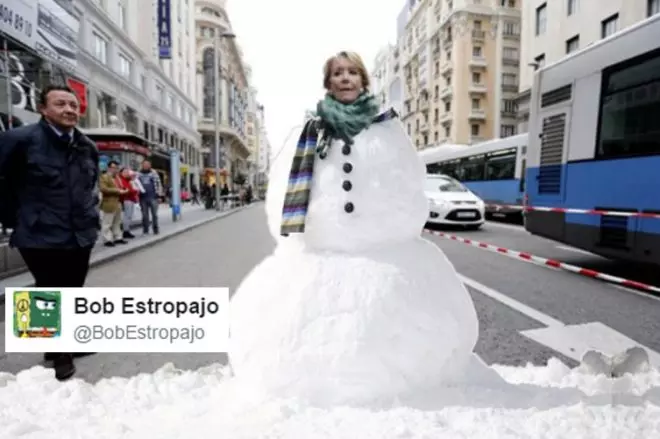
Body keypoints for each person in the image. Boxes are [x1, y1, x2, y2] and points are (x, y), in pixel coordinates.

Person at [0, 84, 100, 381]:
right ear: (43, 109)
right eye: (60, 104)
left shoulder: (86, 145)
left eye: (73, 105)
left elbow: (88, 186)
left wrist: (91, 218)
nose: (69, 110)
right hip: (38, 231)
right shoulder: (19, 140)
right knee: (47, 289)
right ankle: (59, 354)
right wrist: (14, 218)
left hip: (80, 233)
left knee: (71, 290)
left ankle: (58, 345)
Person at [99, 160, 128, 246]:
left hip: (118, 202)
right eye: (113, 168)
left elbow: (121, 187)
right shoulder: (104, 177)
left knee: (117, 222)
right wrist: (118, 191)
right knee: (107, 222)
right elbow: (103, 189)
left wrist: (124, 190)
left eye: (116, 168)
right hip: (109, 202)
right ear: (109, 168)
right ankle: (107, 240)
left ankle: (118, 237)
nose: (115, 170)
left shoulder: (118, 178)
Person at [136, 160, 162, 235]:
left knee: (154, 214)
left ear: (150, 165)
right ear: (142, 165)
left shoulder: (154, 173)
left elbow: (159, 184)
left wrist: (159, 196)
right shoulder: (138, 174)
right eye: (144, 164)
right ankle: (145, 229)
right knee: (144, 215)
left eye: (148, 164)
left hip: (153, 197)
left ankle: (155, 229)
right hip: (142, 197)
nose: (146, 166)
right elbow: (135, 184)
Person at [115, 167, 139, 239]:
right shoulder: (121, 180)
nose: (127, 173)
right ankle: (125, 231)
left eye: (127, 172)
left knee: (129, 216)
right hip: (127, 199)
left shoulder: (128, 180)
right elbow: (126, 190)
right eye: (125, 172)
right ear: (121, 173)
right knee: (127, 216)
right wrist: (135, 191)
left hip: (130, 199)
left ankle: (127, 230)